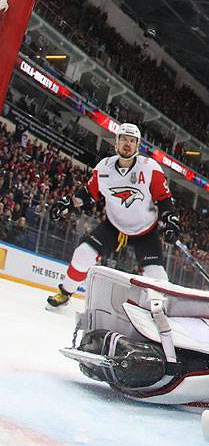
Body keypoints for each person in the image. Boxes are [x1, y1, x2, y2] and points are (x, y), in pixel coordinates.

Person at [46, 122, 181, 308]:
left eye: (132, 140)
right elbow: (88, 193)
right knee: (82, 254)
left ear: (137, 145)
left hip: (145, 232)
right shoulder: (104, 168)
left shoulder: (150, 168)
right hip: (114, 227)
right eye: (123, 139)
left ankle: (161, 312)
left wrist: (170, 220)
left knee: (157, 277)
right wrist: (68, 204)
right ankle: (65, 293)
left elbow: (164, 199)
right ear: (116, 143)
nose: (127, 143)